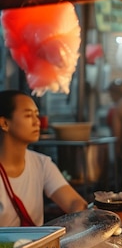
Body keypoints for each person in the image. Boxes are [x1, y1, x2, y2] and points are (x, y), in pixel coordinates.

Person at [0, 90, 87, 226]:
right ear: (4, 123)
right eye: (28, 115)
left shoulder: (42, 163)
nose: (37, 122)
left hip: (38, 247)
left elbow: (74, 202)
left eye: (37, 115)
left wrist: (77, 218)